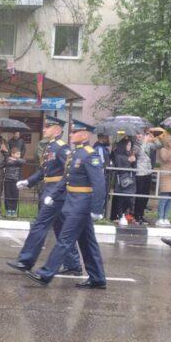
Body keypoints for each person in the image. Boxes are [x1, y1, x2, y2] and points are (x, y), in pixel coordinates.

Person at [26, 120, 108, 289]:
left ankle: (45, 274)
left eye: (74, 132)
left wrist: (97, 208)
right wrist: (53, 195)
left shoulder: (90, 155)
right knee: (87, 242)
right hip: (73, 202)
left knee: (65, 239)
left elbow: (99, 183)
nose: (70, 134)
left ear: (84, 135)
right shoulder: (75, 153)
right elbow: (66, 179)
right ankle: (97, 278)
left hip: (82, 204)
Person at [5, 116, 82, 275]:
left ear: (57, 130)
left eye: (48, 127)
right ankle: (73, 264)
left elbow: (69, 172)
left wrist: (59, 192)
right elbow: (43, 171)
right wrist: (28, 181)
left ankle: (25, 260)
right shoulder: (49, 147)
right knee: (61, 229)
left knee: (39, 225)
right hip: (50, 190)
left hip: (56, 193)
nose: (44, 129)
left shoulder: (62, 148)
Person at [154, 130, 171, 227]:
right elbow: (165, 158)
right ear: (167, 142)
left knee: (170, 199)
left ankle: (166, 218)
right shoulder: (163, 150)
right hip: (166, 176)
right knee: (164, 198)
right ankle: (160, 218)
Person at [132, 130, 158, 225]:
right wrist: (144, 142)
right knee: (139, 195)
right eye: (138, 134)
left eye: (142, 134)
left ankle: (141, 214)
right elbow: (136, 153)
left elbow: (158, 146)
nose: (140, 136)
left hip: (148, 172)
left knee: (146, 195)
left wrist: (154, 138)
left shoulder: (148, 144)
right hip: (140, 172)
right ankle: (136, 215)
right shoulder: (136, 145)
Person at [109, 134, 136, 225]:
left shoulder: (129, 154)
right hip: (121, 180)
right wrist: (128, 160)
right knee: (120, 199)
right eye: (128, 145)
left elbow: (134, 167)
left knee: (128, 199)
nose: (129, 147)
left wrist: (133, 160)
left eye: (130, 145)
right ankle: (119, 215)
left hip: (129, 180)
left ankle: (124, 214)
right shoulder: (118, 154)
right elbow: (119, 165)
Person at [3, 148, 24, 217]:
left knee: (15, 195)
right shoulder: (8, 159)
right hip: (8, 180)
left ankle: (14, 210)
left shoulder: (19, 160)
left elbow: (23, 161)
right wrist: (15, 161)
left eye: (19, 154)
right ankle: (8, 210)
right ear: (12, 154)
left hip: (16, 180)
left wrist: (15, 160)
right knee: (8, 195)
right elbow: (8, 162)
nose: (19, 155)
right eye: (17, 154)